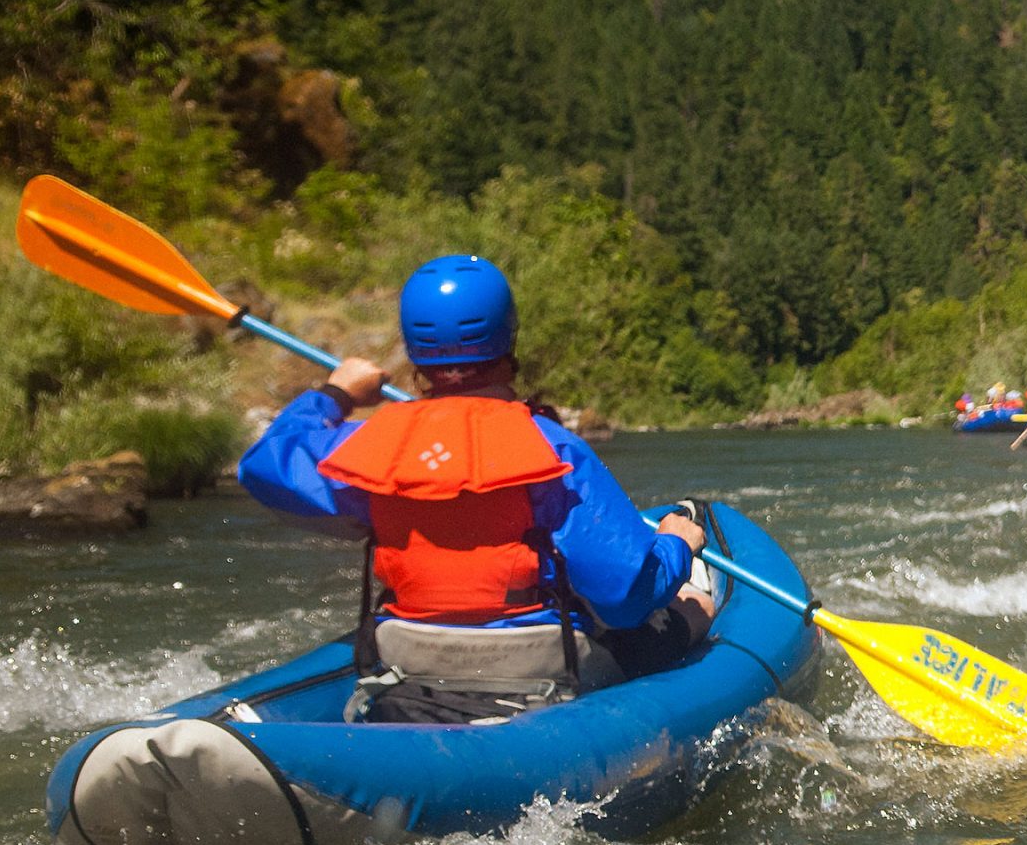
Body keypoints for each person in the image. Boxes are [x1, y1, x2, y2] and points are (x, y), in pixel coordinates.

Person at [238, 255, 713, 723]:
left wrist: (336, 392)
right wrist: (676, 543)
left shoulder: (369, 447)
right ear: (508, 340)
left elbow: (265, 464)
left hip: (408, 655)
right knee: (693, 607)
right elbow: (627, 597)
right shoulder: (553, 450)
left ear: (414, 349)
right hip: (538, 662)